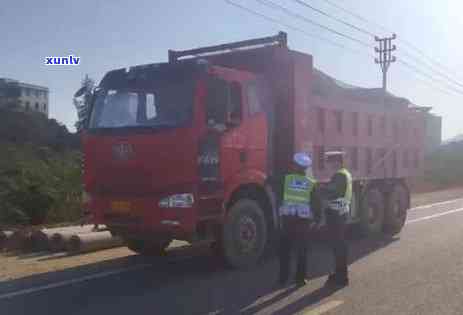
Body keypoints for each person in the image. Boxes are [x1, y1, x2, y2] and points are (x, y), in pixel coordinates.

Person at [278, 152, 320, 287]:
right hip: (303, 221)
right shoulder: (311, 183)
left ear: (295, 166)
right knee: (302, 251)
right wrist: (317, 219)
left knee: (285, 250)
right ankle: (300, 279)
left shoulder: (286, 179)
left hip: (288, 219)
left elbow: (271, 184)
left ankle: (283, 279)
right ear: (306, 168)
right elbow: (316, 203)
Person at [322, 151, 353, 288]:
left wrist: (319, 189)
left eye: (330, 162)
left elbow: (333, 192)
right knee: (339, 246)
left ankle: (341, 277)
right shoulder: (343, 173)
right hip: (340, 213)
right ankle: (339, 274)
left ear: (337, 163)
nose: (328, 165)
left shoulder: (340, 175)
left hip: (337, 215)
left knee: (339, 247)